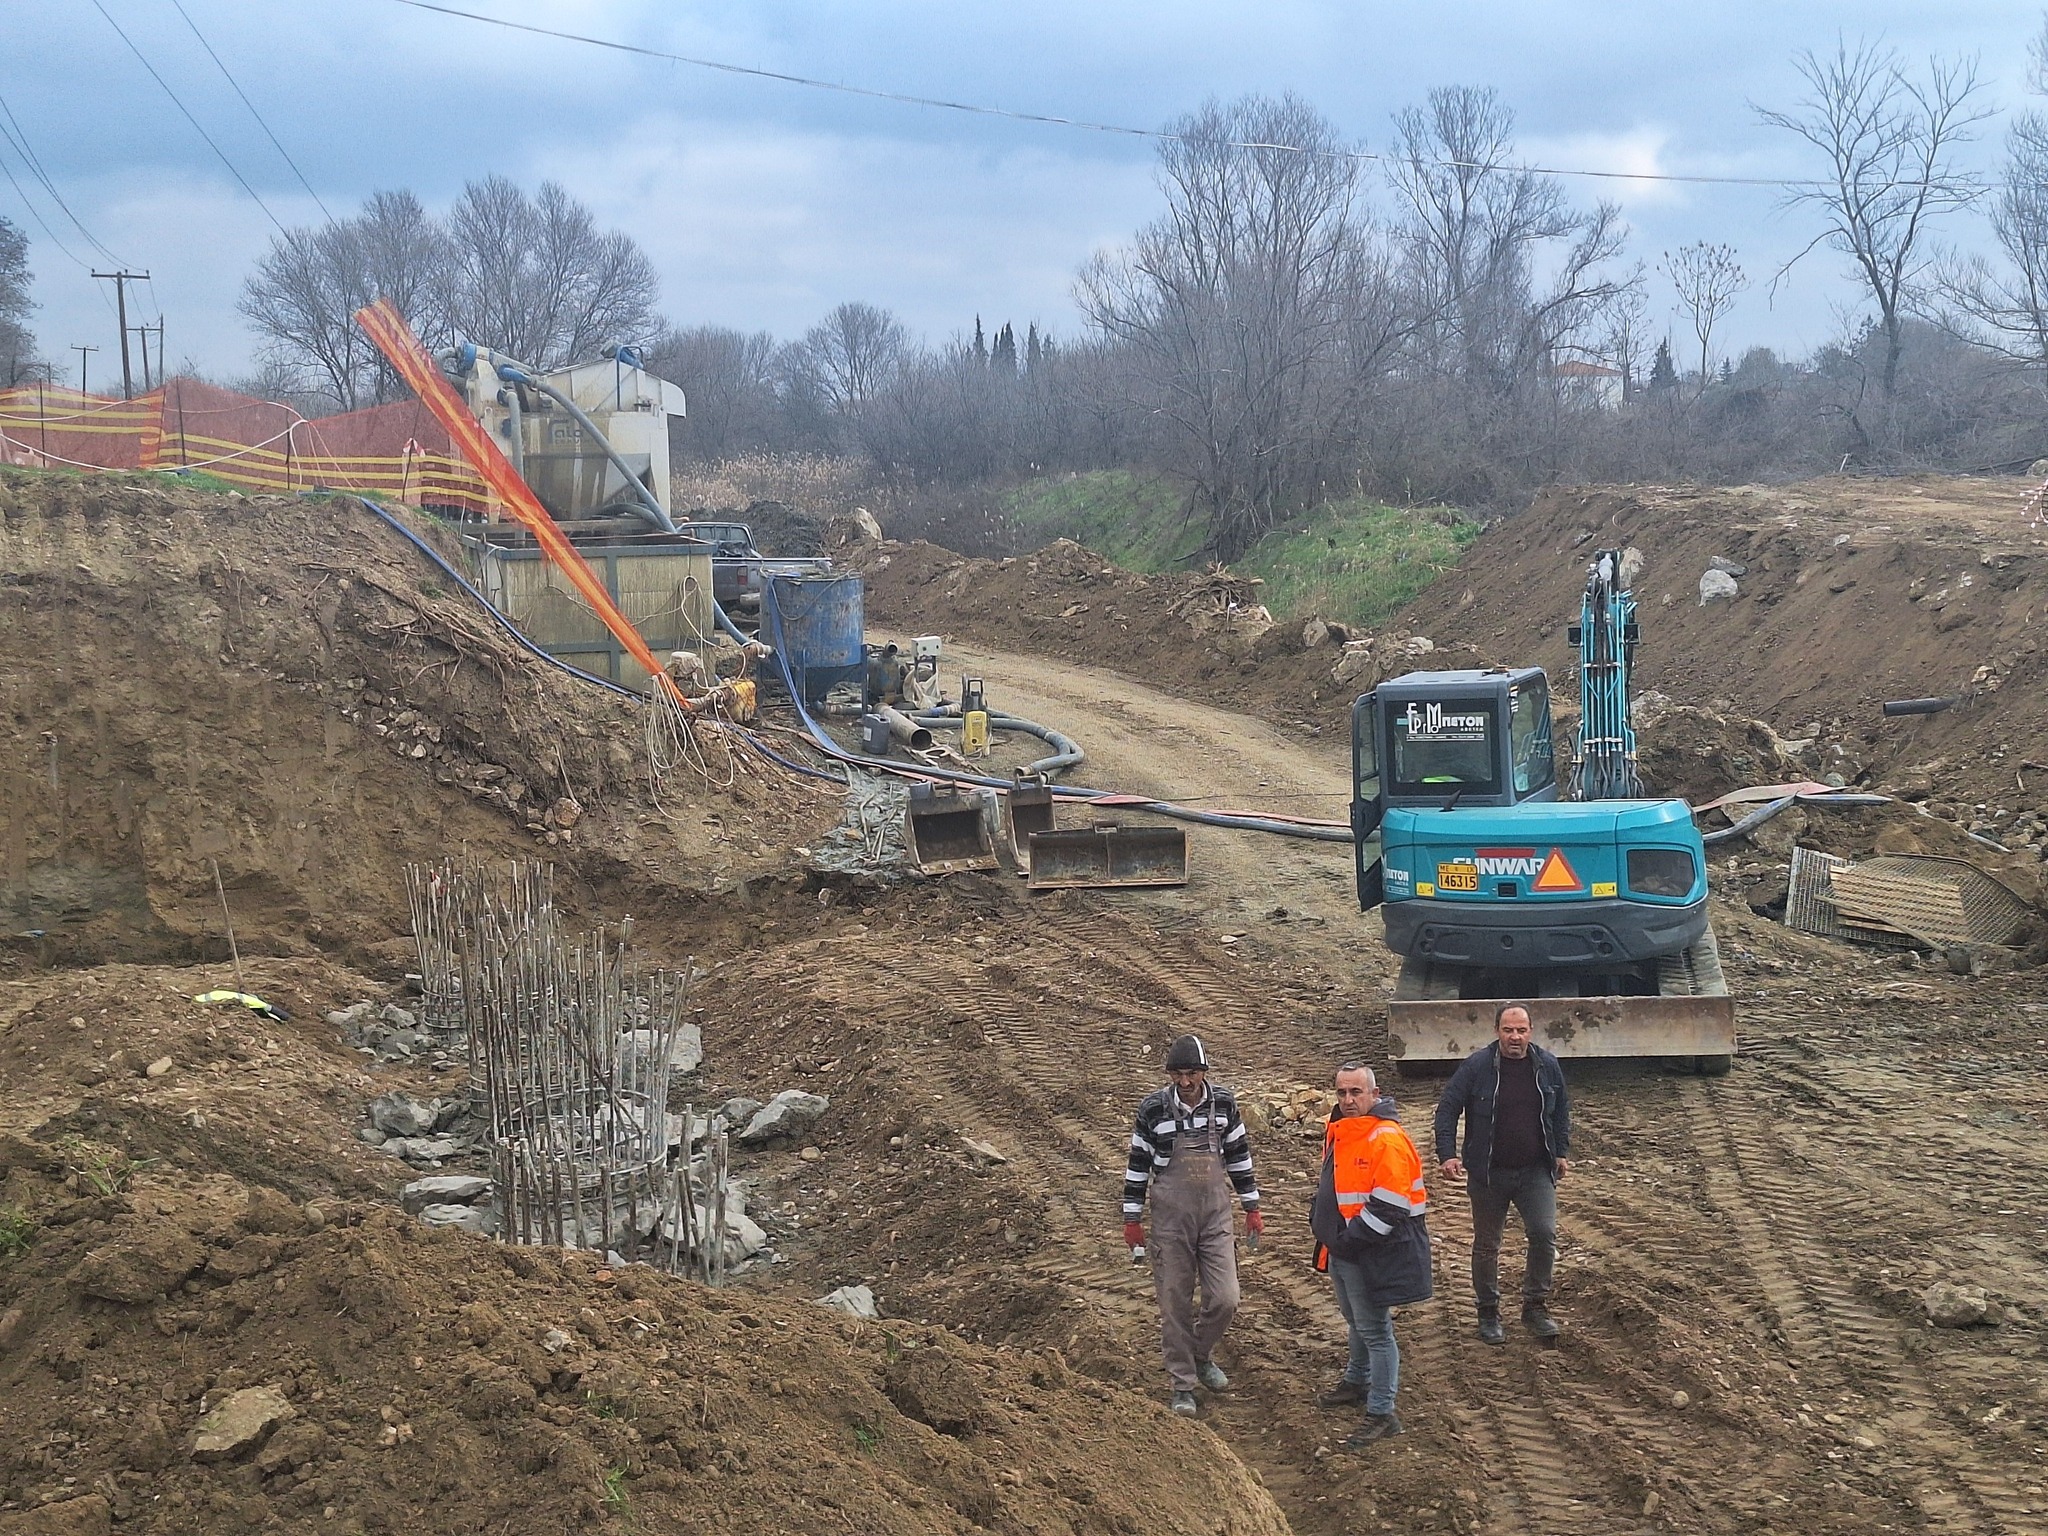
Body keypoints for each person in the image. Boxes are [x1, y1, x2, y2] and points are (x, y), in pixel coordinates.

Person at [1122, 1034, 1263, 1417]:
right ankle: (1182, 1384)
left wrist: (1251, 1207)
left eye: (1192, 1074)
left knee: (1225, 1298)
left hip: (1215, 1216)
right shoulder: (1153, 1110)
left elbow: (1238, 1157)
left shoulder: (1225, 1105)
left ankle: (1200, 1354)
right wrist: (1132, 1218)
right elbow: (1137, 1165)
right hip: (1171, 1221)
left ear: (1204, 1073)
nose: (1185, 1082)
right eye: (1178, 1074)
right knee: (1175, 1303)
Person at [1433, 1002, 1572, 1344]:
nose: (1515, 1037)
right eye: (1508, 1030)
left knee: (1543, 1234)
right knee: (1486, 1246)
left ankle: (1535, 1308)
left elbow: (1562, 1112)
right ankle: (1488, 1313)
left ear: (1530, 1032)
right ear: (1497, 1031)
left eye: (1521, 1030)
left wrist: (1561, 1151)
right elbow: (1448, 1108)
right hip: (1489, 1173)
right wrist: (1447, 1154)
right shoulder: (1477, 1067)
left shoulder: (1547, 1065)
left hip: (1535, 1170)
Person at [1309, 1063, 1432, 1447]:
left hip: (1369, 1251)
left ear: (1374, 1096)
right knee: (1356, 1320)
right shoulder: (1343, 1132)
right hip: (1346, 1248)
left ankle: (1382, 1411)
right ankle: (1357, 1380)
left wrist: (1351, 1241)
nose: (1347, 1100)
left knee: (1376, 1330)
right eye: (1342, 1092)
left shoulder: (1386, 1139)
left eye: (1356, 1093)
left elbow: (1391, 1204)